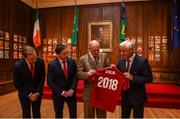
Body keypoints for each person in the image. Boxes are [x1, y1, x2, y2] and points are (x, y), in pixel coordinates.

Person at [116, 40, 153, 118]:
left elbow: (149, 78)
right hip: (125, 97)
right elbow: (117, 75)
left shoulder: (142, 61)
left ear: (131, 50)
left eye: (124, 51)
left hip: (138, 97)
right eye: (121, 51)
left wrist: (133, 77)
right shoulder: (121, 61)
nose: (121, 54)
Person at [77, 40, 110, 118]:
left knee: (102, 116)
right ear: (89, 49)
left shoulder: (104, 56)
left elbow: (109, 70)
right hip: (89, 93)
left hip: (101, 92)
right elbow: (78, 74)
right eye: (94, 50)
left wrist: (108, 71)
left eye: (98, 50)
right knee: (88, 116)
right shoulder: (83, 59)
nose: (96, 52)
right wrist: (87, 74)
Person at [13, 45, 45, 118]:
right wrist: (30, 94)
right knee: (26, 113)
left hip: (37, 93)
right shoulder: (18, 66)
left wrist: (37, 92)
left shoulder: (40, 62)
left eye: (35, 57)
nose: (34, 60)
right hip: (24, 93)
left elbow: (42, 78)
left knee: (37, 113)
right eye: (31, 59)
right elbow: (17, 84)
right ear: (25, 57)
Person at [47, 44, 78, 118]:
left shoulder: (72, 62)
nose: (67, 55)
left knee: (73, 114)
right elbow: (50, 82)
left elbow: (75, 76)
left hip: (71, 93)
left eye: (67, 52)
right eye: (64, 53)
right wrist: (62, 92)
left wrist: (72, 89)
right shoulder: (52, 65)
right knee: (58, 114)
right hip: (58, 94)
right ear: (58, 54)